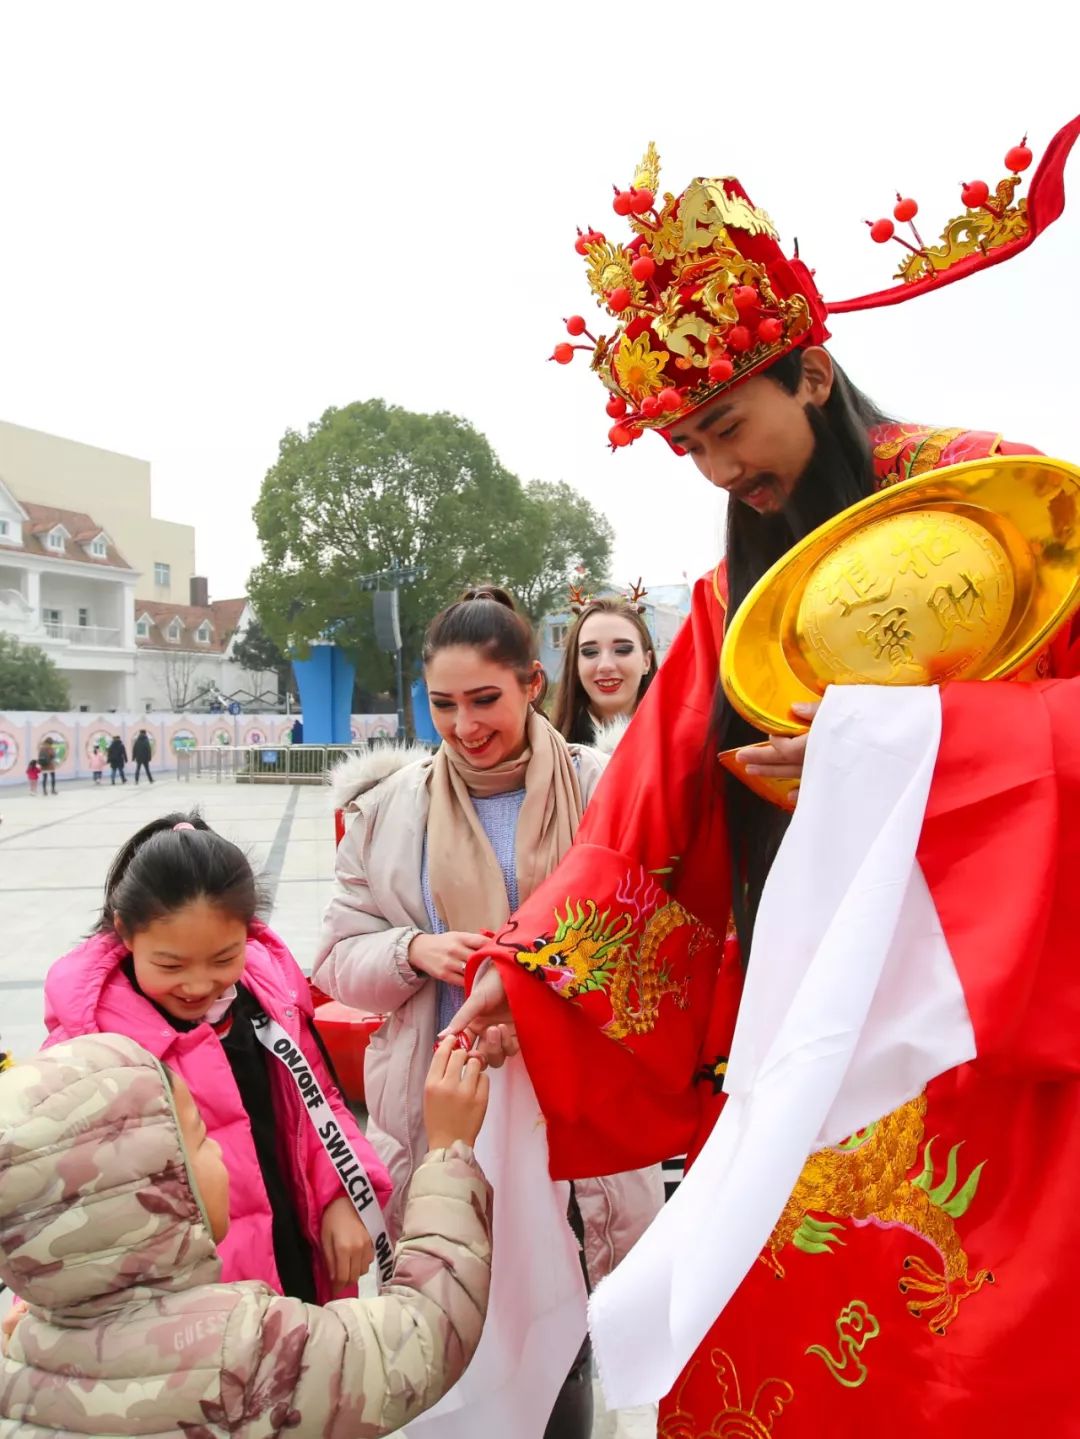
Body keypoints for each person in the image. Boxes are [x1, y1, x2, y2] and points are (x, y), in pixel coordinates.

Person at [451, 120, 1080, 1435]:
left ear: (812, 372)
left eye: (730, 425)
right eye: (692, 446)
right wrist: (533, 965)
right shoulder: (738, 594)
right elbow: (645, 809)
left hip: (988, 1006)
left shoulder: (998, 510)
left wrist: (900, 754)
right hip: (813, 1013)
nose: (724, 470)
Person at [314, 585, 663, 1439]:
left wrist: (547, 970)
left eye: (484, 700)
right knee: (455, 1314)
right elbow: (334, 958)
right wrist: (412, 950)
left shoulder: (607, 789)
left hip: (574, 1108)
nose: (464, 725)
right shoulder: (387, 811)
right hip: (447, 1109)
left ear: (533, 683)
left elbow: (656, 936)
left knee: (568, 1322)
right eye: (443, 704)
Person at [0, 1031, 493, 1436]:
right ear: (154, 1190)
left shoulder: (19, 1359)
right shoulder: (241, 1353)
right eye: (199, 1139)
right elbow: (423, 1336)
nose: (218, 1151)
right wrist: (448, 1152)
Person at [43, 811, 393, 1304]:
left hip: (294, 1258)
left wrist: (341, 1195)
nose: (198, 984)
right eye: (170, 965)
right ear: (125, 932)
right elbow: (52, 1194)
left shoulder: (268, 999)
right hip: (184, 1304)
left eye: (224, 958)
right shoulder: (90, 1042)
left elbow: (319, 1103)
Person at [550, 591, 656, 745]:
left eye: (622, 650)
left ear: (646, 661)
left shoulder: (682, 742)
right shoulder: (550, 748)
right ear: (576, 665)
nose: (605, 666)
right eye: (590, 652)